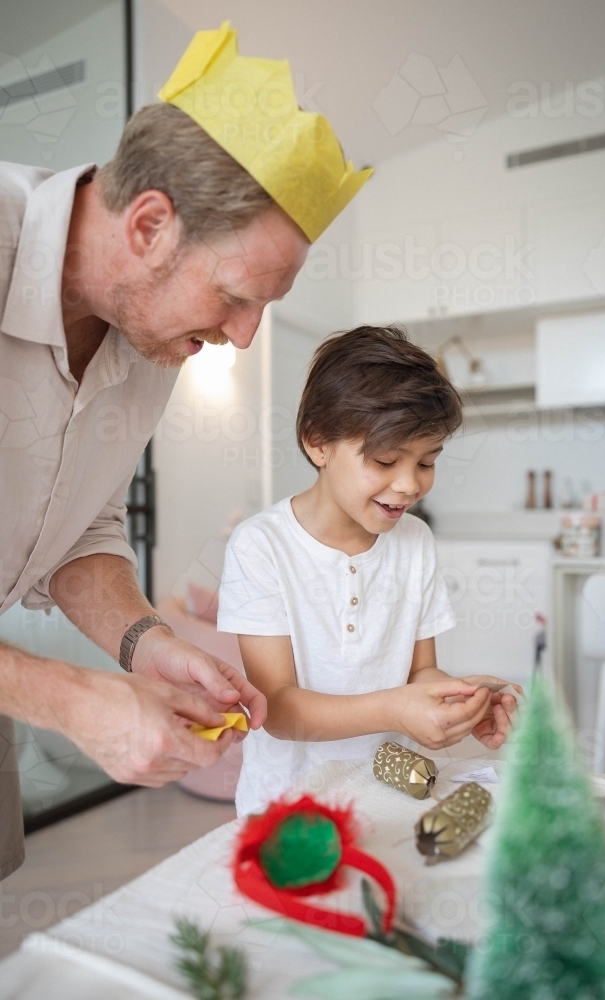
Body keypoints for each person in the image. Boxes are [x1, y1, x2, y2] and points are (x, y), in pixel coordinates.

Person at [0, 22, 371, 880]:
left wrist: (144, 642)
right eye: (236, 297)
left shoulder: (143, 343)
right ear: (150, 224)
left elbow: (82, 528)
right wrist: (73, 697)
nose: (242, 337)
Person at [218, 327, 520, 817]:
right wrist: (397, 708)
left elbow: (420, 672)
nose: (409, 485)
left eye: (426, 462)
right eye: (385, 460)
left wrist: (462, 701)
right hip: (286, 804)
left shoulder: (415, 541)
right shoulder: (262, 545)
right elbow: (276, 706)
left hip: (387, 789)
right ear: (317, 442)